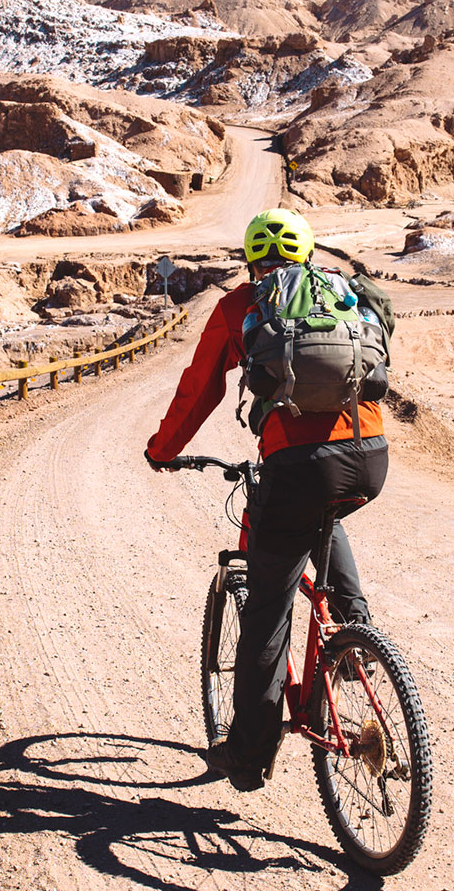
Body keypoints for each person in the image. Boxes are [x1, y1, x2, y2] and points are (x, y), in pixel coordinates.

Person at [145, 208, 391, 792]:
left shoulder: (243, 304)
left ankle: (249, 754)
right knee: (323, 515)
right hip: (370, 452)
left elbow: (200, 387)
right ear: (306, 253)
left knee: (265, 612)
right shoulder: (341, 292)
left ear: (254, 260)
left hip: (295, 463)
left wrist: (162, 448)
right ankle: (355, 636)